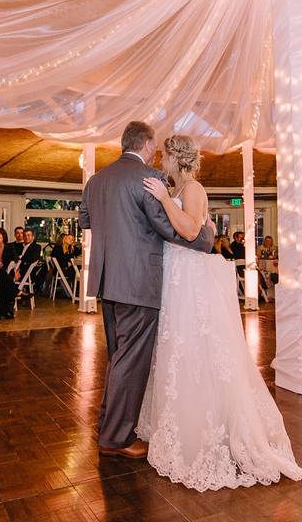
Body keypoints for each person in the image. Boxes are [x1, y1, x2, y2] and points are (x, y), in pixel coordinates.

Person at [137, 132, 302, 489]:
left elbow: (191, 228)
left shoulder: (192, 189)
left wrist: (166, 200)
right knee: (177, 350)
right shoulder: (180, 189)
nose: (161, 162)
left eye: (165, 156)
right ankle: (182, 423)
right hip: (177, 274)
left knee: (197, 349)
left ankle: (208, 431)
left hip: (190, 276)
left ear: (177, 158)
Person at [79, 121, 216, 461]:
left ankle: (108, 424)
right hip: (138, 283)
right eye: (155, 149)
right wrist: (205, 239)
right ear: (147, 146)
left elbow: (85, 220)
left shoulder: (96, 180)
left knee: (117, 358)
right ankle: (115, 438)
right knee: (131, 362)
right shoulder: (146, 179)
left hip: (106, 283)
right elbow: (169, 228)